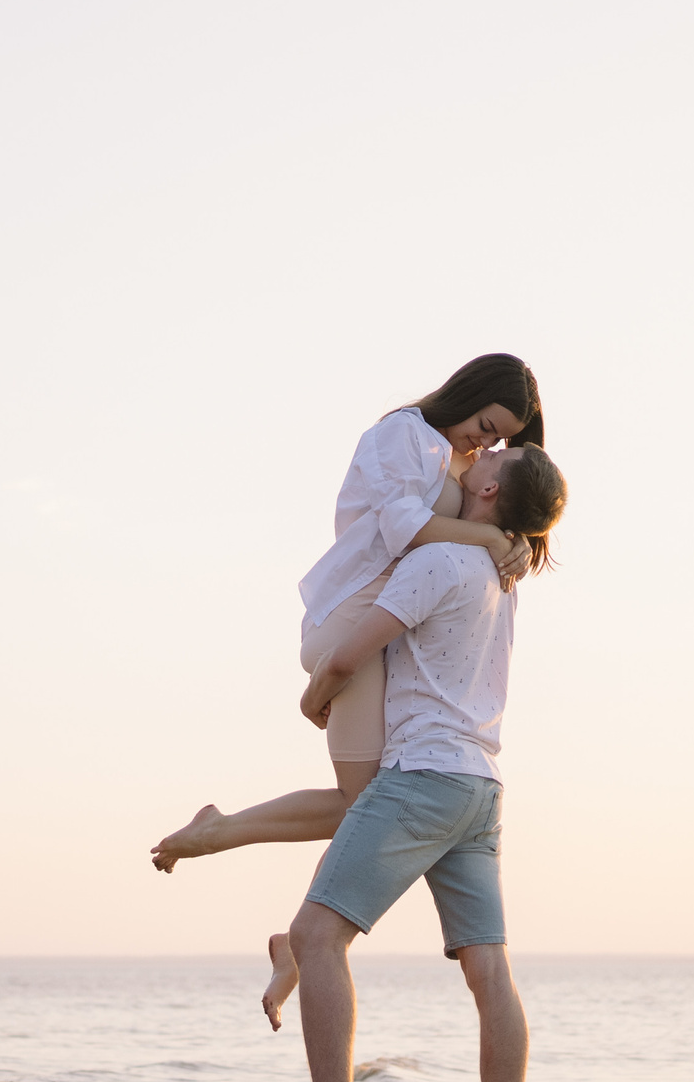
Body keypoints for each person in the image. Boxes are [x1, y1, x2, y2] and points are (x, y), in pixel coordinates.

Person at [148, 355, 545, 1020]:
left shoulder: (459, 462)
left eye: (496, 440)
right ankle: (261, 893)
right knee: (371, 803)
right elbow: (404, 531)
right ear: (467, 395)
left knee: (374, 803)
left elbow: (480, 530)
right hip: (352, 623)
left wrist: (521, 545)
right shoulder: (403, 434)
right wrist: (487, 533)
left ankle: (281, 924)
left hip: (389, 627)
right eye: (483, 425)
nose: (484, 444)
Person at [257, 443, 567, 1082]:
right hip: (480, 787)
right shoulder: (502, 576)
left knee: (315, 937)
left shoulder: (441, 562)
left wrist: (312, 699)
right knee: (490, 971)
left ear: (491, 486)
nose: (478, 452)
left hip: (421, 774)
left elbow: (349, 653)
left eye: (497, 450)